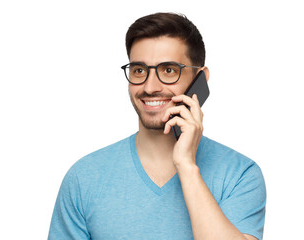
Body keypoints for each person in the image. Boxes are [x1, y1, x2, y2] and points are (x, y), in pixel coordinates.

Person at [48, 12, 266, 240]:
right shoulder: (84, 177)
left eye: (169, 70)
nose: (150, 87)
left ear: (200, 79)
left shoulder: (239, 174)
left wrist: (187, 166)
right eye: (139, 70)